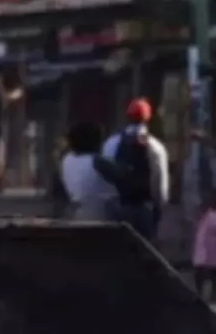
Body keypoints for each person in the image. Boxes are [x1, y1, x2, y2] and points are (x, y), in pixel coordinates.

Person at [97, 98, 169, 240]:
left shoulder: (111, 143)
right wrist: (159, 209)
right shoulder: (156, 147)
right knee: (144, 254)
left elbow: (105, 179)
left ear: (127, 117)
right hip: (144, 208)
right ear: (148, 118)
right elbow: (160, 185)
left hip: (118, 207)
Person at [57, 121, 116, 222]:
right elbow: (125, 179)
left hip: (77, 213)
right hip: (102, 214)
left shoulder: (67, 159)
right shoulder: (97, 162)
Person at [192, 187, 216, 303]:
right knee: (199, 271)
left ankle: (214, 295)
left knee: (215, 271)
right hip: (202, 247)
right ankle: (199, 293)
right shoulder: (204, 212)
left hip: (215, 245)